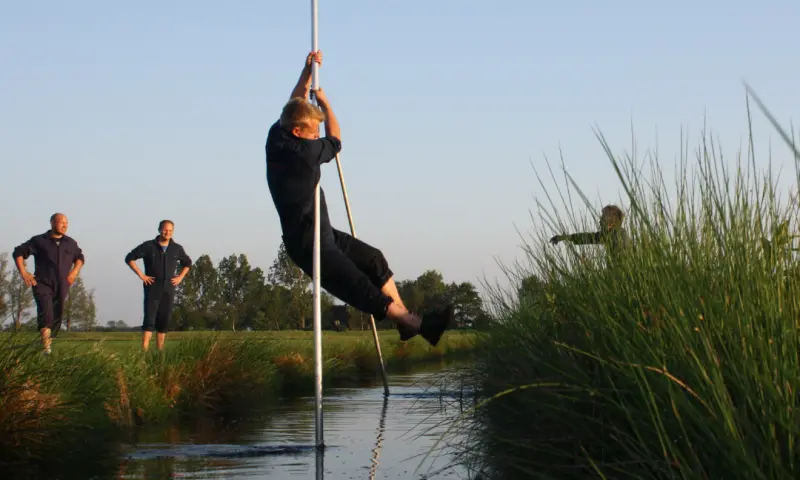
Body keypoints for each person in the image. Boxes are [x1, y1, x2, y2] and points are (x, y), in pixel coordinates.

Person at [265, 50, 453, 346]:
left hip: (323, 231)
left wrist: (306, 72)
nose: (318, 136)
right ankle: (418, 325)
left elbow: (295, 101)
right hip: (308, 243)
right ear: (299, 132)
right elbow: (336, 138)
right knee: (361, 288)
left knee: (374, 260)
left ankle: (406, 323)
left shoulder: (277, 135)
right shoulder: (304, 154)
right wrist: (326, 103)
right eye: (314, 132)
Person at [12, 213, 85, 355]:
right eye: (61, 222)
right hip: (42, 283)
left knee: (57, 315)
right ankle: (46, 350)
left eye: (67, 223)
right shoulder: (39, 241)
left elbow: (80, 257)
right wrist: (24, 272)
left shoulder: (70, 243)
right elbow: (18, 252)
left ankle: (45, 345)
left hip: (62, 284)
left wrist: (74, 272)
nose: (65, 225)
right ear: (52, 223)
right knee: (46, 312)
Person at [124, 220, 193, 352]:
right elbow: (129, 258)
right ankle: (144, 351)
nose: (168, 233)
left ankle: (160, 351)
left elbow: (188, 263)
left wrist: (180, 277)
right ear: (159, 229)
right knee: (149, 319)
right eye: (165, 230)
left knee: (164, 320)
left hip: (169, 288)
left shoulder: (177, 248)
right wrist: (141, 275)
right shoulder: (148, 246)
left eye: (170, 230)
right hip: (152, 287)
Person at [550, 204, 631, 255]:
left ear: (611, 220)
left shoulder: (619, 235)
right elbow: (587, 237)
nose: (599, 221)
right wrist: (564, 237)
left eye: (602, 218)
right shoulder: (609, 234)